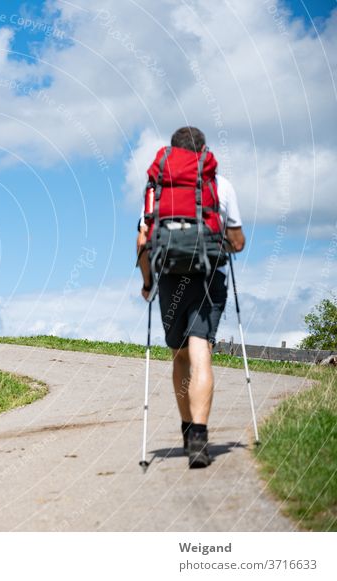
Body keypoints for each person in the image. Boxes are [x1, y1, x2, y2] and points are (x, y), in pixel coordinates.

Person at [136, 126, 245, 468]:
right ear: (203, 151)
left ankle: (186, 431)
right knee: (201, 353)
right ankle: (200, 437)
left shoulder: (157, 187)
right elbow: (238, 241)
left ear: (172, 152)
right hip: (207, 277)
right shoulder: (219, 185)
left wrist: (147, 283)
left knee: (179, 356)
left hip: (169, 278)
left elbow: (143, 241)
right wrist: (223, 244)